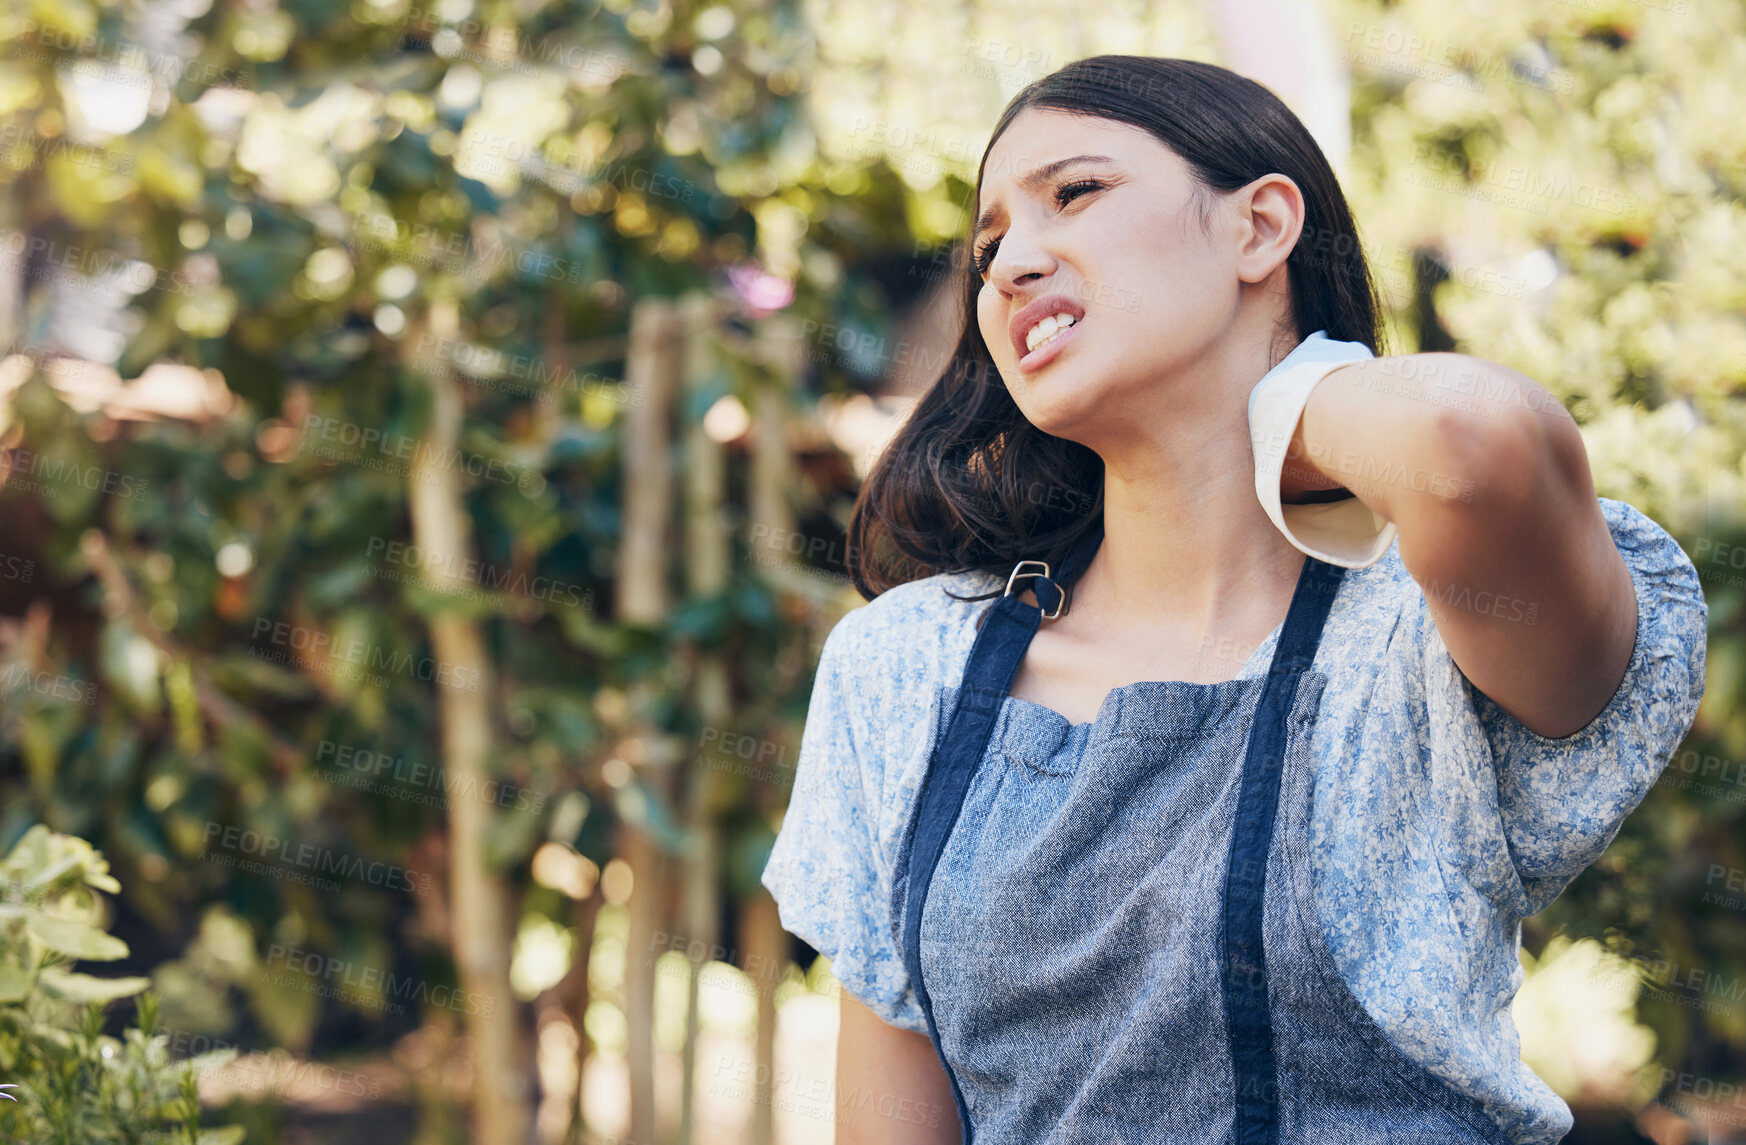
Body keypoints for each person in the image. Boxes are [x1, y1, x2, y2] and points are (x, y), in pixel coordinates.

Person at [760, 54, 1707, 1144]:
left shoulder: (1419, 635)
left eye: (1075, 194)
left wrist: (1271, 407)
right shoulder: (908, 663)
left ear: (1261, 227)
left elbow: (1470, 446)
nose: (1012, 262)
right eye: (987, 246)